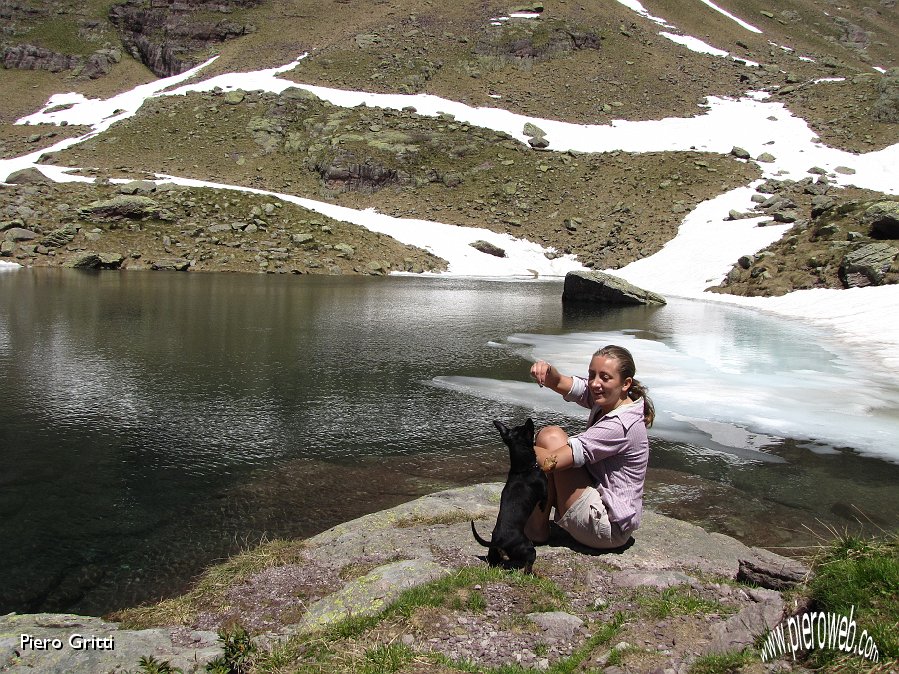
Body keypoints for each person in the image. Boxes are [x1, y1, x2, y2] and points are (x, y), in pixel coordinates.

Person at [525, 344, 653, 549]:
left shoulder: (620, 424)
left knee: (549, 449)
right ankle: (537, 528)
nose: (595, 383)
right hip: (602, 506)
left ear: (626, 383)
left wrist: (519, 446)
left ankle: (534, 529)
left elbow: (551, 463)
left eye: (605, 377)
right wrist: (547, 372)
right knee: (550, 436)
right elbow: (560, 382)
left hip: (607, 528)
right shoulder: (611, 400)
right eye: (592, 374)